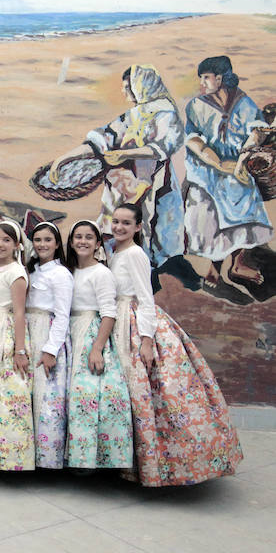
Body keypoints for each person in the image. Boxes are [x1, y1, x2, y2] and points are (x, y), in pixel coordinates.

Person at [109, 203, 243, 486]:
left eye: (125, 223)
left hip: (134, 323)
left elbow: (146, 298)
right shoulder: (115, 251)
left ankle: (163, 463)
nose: (119, 227)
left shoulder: (134, 254)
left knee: (146, 394)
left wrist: (146, 341)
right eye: (116, 221)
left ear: (137, 227)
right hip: (118, 319)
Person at [49, 64, 198, 292]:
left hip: (155, 185)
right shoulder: (132, 115)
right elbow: (102, 138)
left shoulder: (165, 113)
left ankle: (159, 279)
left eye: (129, 87)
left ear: (143, 87)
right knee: (121, 231)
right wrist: (63, 159)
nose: (125, 92)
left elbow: (160, 149)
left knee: (157, 233)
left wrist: (123, 154)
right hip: (125, 185)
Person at [183, 55, 272, 300]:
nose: (202, 83)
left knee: (246, 197)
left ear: (220, 78)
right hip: (207, 168)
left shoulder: (244, 103)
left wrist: (242, 161)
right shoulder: (196, 105)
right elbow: (194, 141)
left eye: (206, 77)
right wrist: (221, 164)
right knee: (211, 208)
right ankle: (213, 270)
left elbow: (255, 133)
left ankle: (238, 262)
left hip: (238, 165)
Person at [64, 220, 133, 470]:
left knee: (89, 397)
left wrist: (97, 348)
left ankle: (92, 459)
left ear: (97, 243)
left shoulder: (101, 273)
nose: (83, 241)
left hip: (90, 333)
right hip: (69, 331)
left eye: (88, 237)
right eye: (78, 237)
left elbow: (109, 313)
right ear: (71, 243)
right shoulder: (68, 270)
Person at [0, 220, 33, 471]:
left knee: (8, 396)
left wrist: (20, 350)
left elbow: (20, 312)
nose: (0, 244)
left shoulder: (16, 272)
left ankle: (14, 458)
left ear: (17, 245)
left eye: (6, 240)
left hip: (5, 334)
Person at [24, 222, 72, 469]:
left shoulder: (61, 274)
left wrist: (51, 349)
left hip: (47, 333)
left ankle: (48, 458)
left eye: (47, 240)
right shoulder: (31, 271)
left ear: (56, 244)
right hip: (29, 331)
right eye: (38, 240)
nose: (42, 245)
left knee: (47, 398)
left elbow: (63, 315)